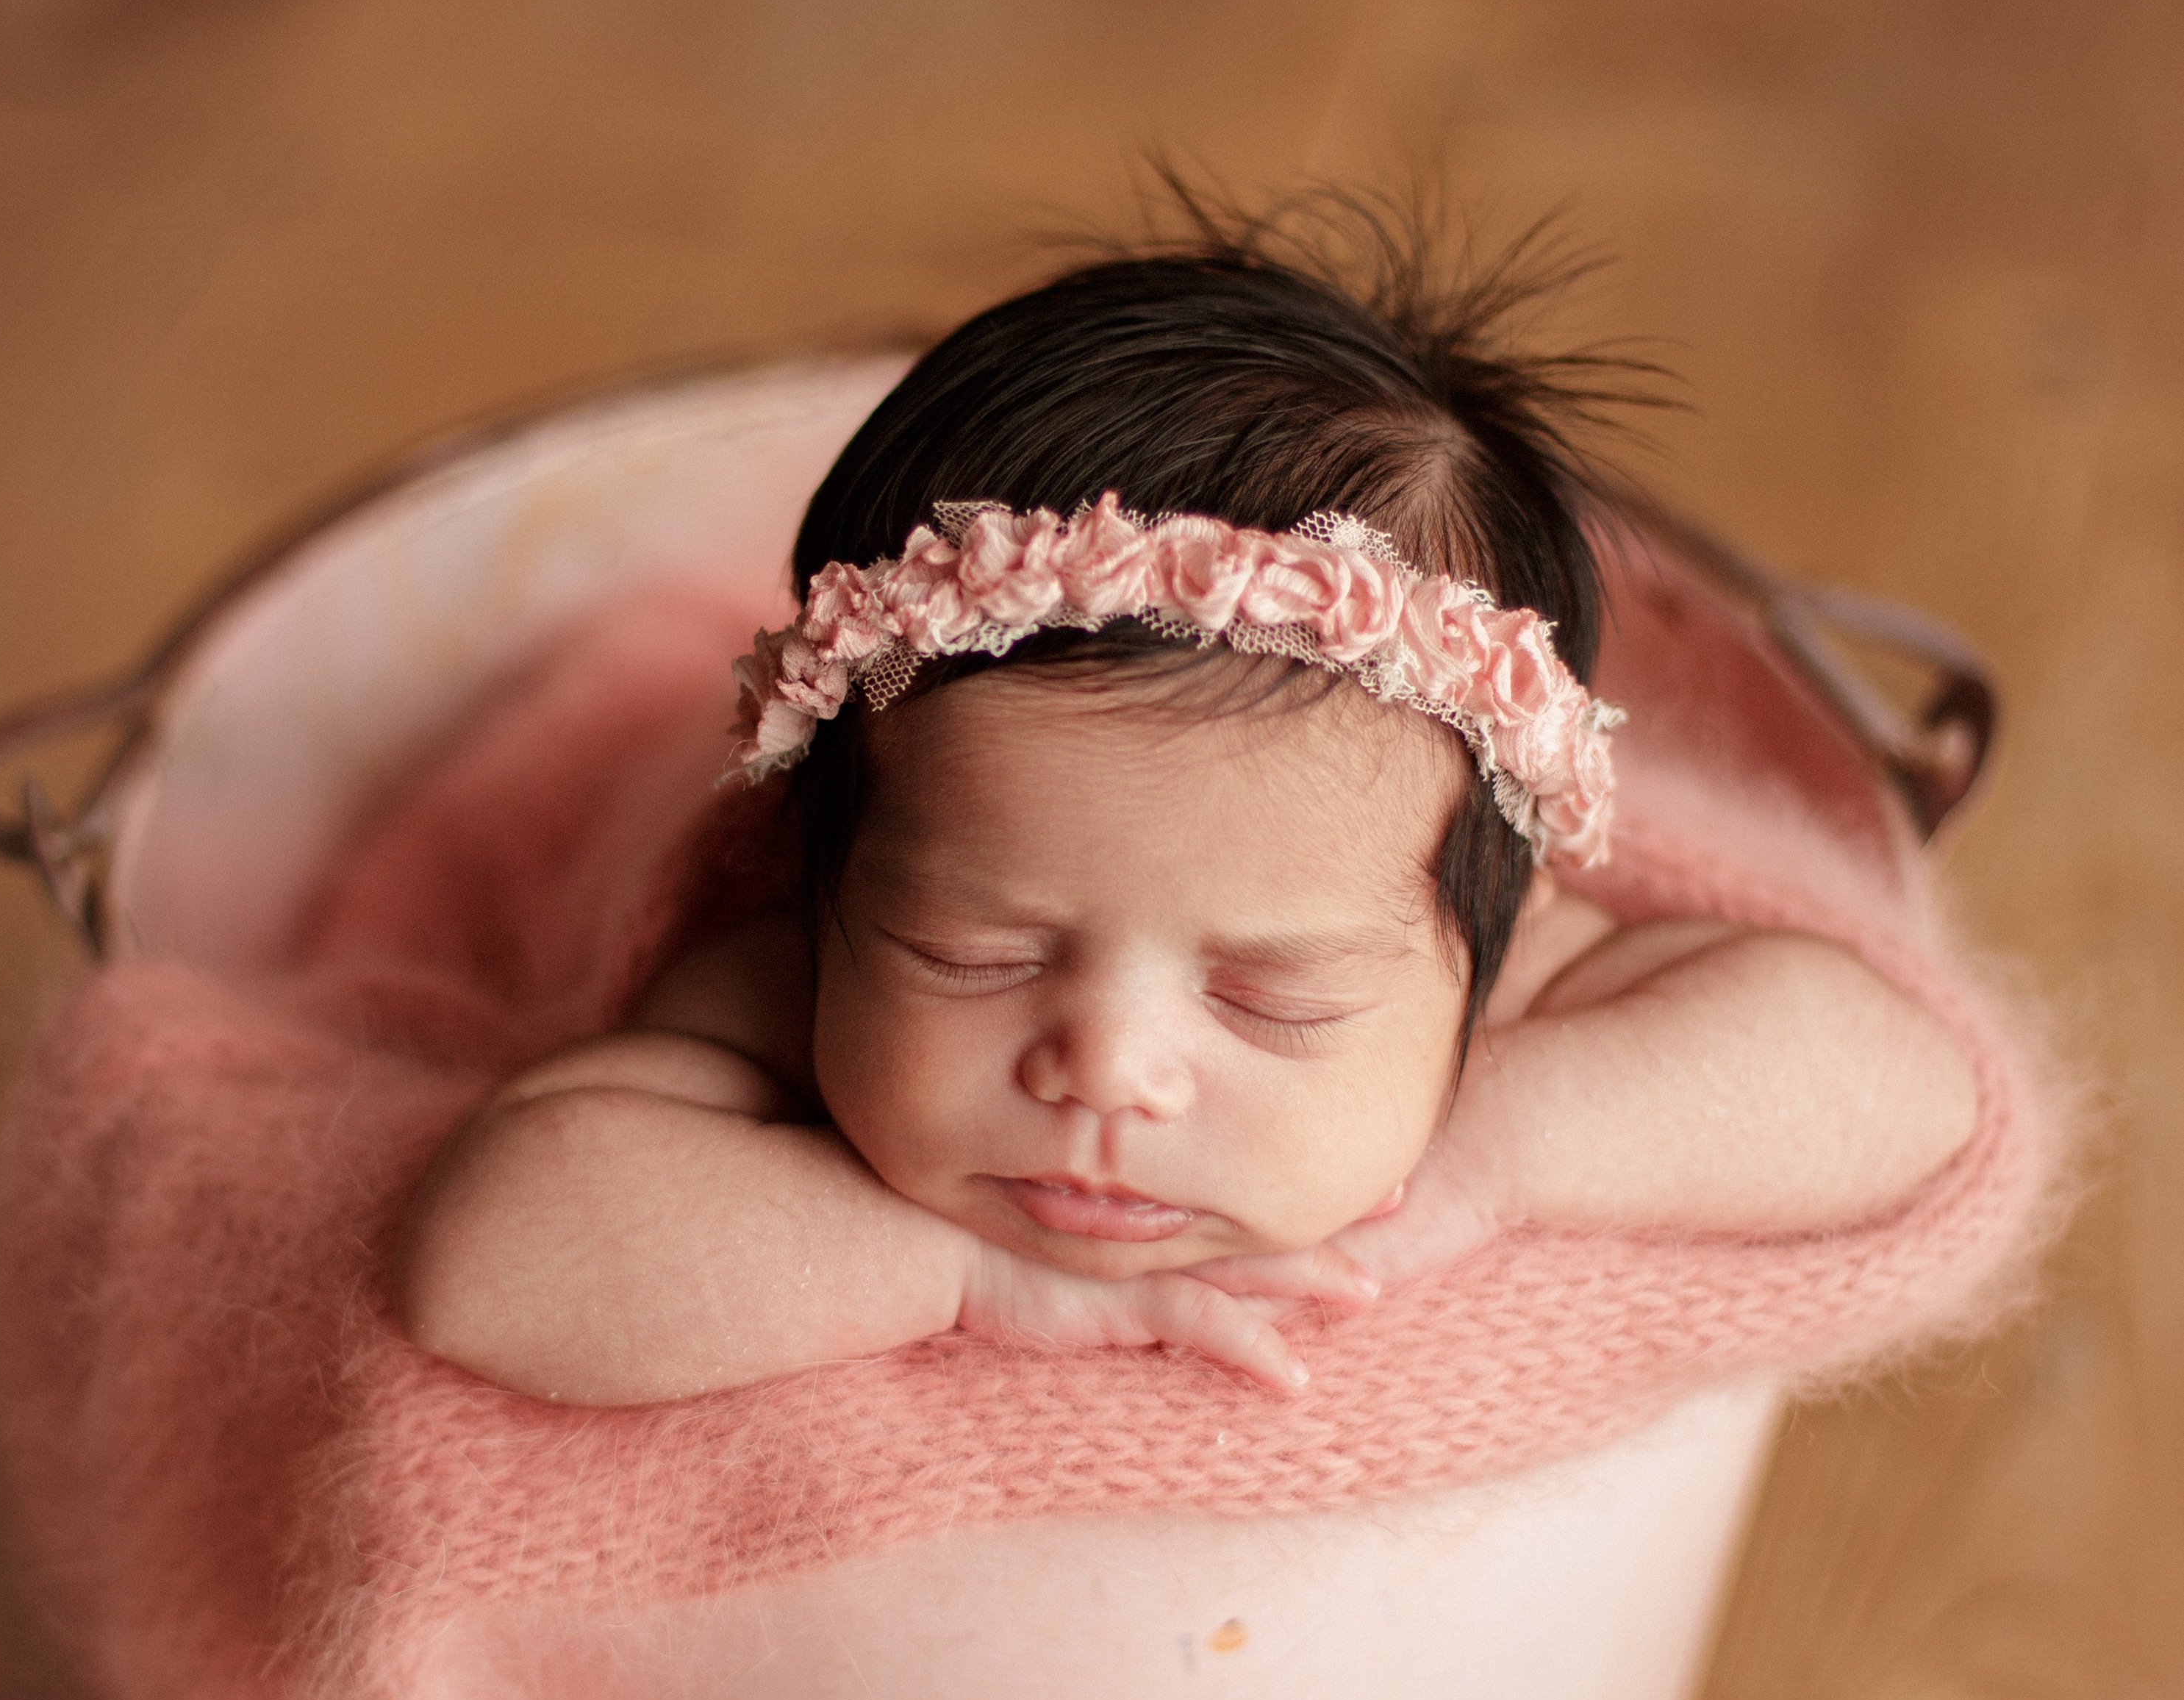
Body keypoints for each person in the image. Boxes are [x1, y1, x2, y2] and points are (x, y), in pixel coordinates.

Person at [395, 207, 1978, 1405]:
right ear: (838, 876)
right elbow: (486, 1264)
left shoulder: (1493, 1013)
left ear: (1487, 945)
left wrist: (1499, 1152)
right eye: (977, 951)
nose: (1108, 1067)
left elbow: (1905, 1086)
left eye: (1270, 996)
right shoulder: (785, 978)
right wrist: (941, 1268)